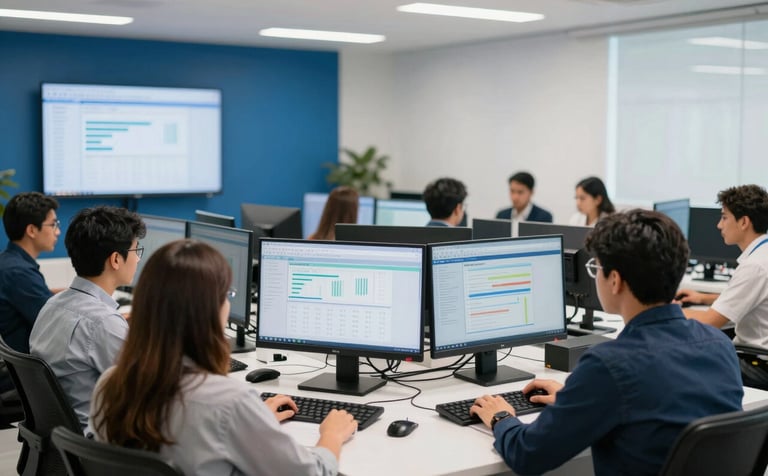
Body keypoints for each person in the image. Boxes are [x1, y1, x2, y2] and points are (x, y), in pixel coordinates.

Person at [470, 209, 743, 476]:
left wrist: (502, 417)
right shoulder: (718, 343)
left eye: (596, 267)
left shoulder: (610, 365)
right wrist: (577, 397)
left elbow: (528, 455)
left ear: (615, 280)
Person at [91, 240, 357, 475]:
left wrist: (254, 422)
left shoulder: (109, 384)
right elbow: (311, 473)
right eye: (226, 295)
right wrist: (331, 436)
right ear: (208, 311)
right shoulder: (229, 402)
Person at [30, 206, 145, 431]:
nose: (138, 259)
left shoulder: (52, 305)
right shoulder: (103, 323)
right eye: (135, 250)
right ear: (115, 259)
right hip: (99, 448)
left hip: (66, 444)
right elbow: (145, 393)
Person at [676, 184, 768, 389]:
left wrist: (663, 310)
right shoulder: (764, 253)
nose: (719, 225)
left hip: (757, 363)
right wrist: (703, 298)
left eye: (724, 217)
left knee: (679, 361)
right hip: (758, 358)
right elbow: (755, 297)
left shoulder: (755, 266)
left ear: (744, 222)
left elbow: (710, 322)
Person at [0, 191, 60, 354]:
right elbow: (56, 324)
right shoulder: (19, 273)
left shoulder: (9, 263)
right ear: (32, 230)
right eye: (53, 224)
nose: (57, 232)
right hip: (16, 376)